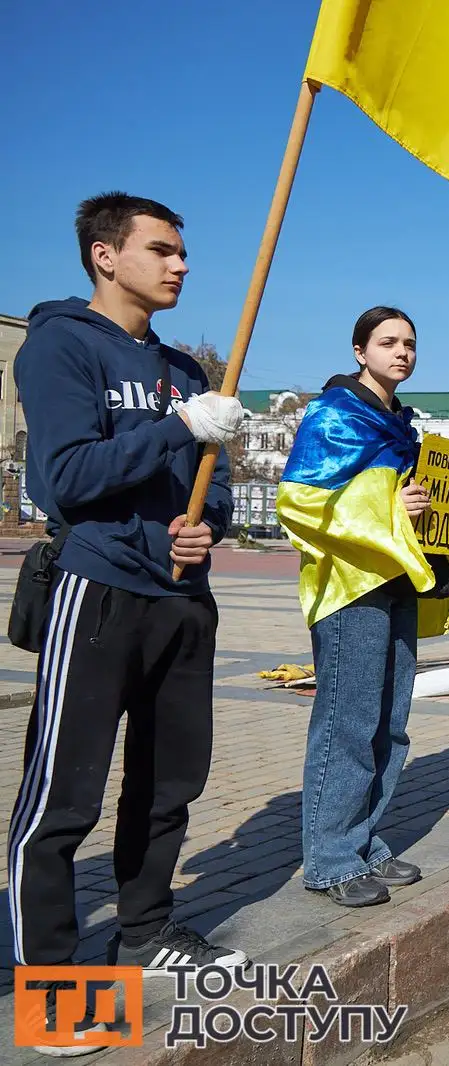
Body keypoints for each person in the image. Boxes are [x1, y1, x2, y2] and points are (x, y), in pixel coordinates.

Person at [10, 192, 250, 990]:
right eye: (161, 250)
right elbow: (68, 479)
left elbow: (209, 490)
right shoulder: (59, 349)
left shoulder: (185, 370)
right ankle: (48, 975)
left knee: (170, 782)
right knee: (65, 790)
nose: (180, 264)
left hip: (182, 599)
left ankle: (145, 931)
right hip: (100, 588)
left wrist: (204, 525)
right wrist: (181, 428)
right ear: (105, 256)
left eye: (182, 252)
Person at [277, 305, 449, 908]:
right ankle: (329, 858)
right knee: (347, 724)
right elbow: (299, 501)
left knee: (390, 723)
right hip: (349, 586)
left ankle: (364, 839)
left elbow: (389, 498)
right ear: (360, 352)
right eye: (387, 342)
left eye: (410, 342)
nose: (401, 352)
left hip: (395, 579)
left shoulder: (399, 423)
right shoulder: (335, 415)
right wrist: (393, 510)